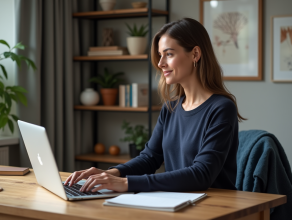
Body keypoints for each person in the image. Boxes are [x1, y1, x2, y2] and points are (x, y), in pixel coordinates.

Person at [64, 17, 246, 193]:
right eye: (160, 55)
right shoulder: (171, 108)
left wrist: (126, 183)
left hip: (216, 207)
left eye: (169, 54)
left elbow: (202, 174)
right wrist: (109, 173)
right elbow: (149, 158)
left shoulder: (221, 108)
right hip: (177, 202)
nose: (160, 63)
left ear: (195, 54)